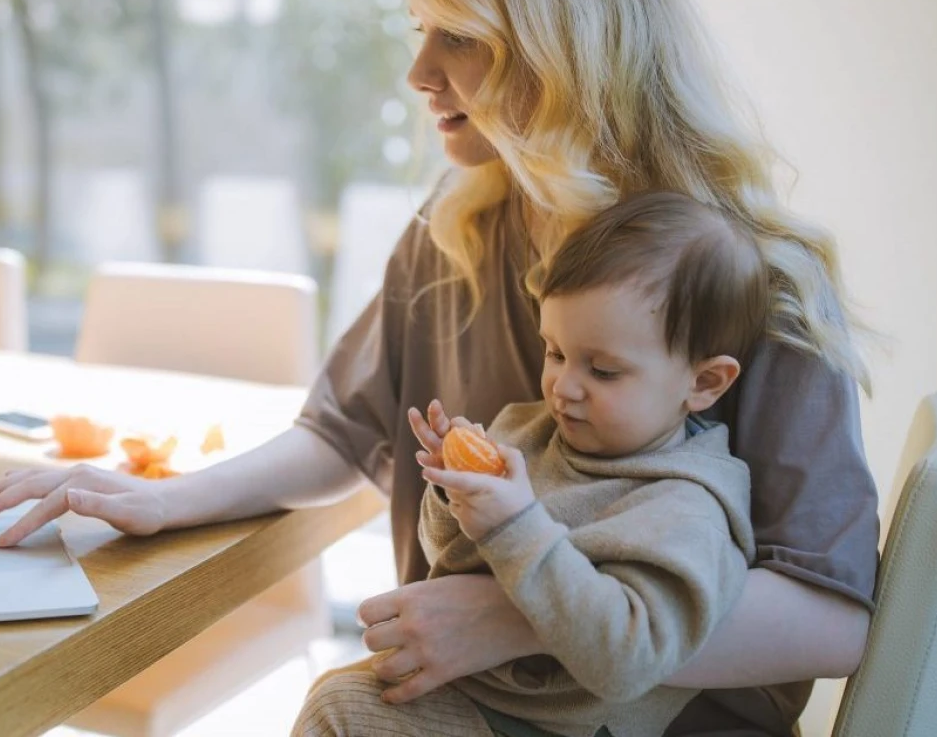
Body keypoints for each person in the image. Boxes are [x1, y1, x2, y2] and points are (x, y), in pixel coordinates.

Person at [0, 0, 879, 733]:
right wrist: (170, 498)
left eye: (461, 36)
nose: (418, 70)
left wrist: (521, 614)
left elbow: (832, 617)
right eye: (419, 28)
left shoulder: (759, 279)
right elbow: (341, 432)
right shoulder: (455, 233)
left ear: (563, 43)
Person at [295, 191, 769, 737]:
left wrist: (515, 525)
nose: (563, 387)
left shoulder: (685, 506)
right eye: (556, 353)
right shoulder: (530, 431)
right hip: (479, 696)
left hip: (554, 727)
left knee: (340, 710)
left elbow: (626, 661)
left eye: (604, 371)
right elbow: (448, 562)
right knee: (337, 695)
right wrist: (455, 496)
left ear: (704, 382)